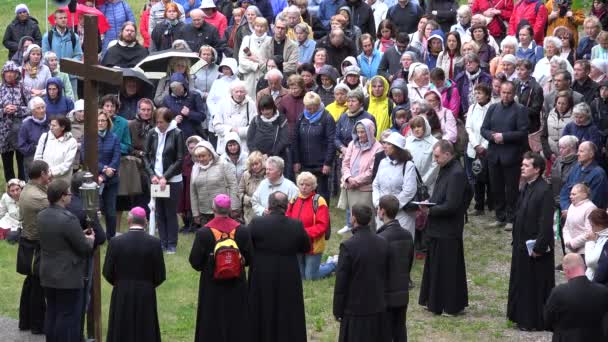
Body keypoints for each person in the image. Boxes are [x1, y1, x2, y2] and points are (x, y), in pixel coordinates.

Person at [248, 191, 310, 342]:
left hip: (261, 271)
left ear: (269, 205)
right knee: (288, 307)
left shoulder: (257, 223)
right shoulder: (296, 225)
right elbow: (306, 246)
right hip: (288, 271)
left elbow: (247, 246)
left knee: (261, 307)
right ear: (286, 206)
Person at [189, 194, 251, 342]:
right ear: (229, 209)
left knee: (211, 317)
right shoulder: (242, 231)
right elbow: (249, 258)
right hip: (237, 283)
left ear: (213, 209)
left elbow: (195, 261)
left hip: (211, 284)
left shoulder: (203, 232)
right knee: (237, 316)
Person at [417, 140, 469, 316]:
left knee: (448, 268)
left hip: (448, 228)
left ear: (448, 154)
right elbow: (441, 196)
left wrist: (429, 210)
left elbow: (452, 205)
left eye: (437, 156)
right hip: (439, 227)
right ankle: (434, 300)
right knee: (436, 265)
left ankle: (450, 304)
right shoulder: (445, 169)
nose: (435, 159)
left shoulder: (456, 173)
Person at [38, 179, 94, 342]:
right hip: (66, 275)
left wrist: (79, 235)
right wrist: (89, 239)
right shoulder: (68, 218)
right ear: (62, 197)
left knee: (52, 311)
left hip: (48, 271)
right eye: (68, 194)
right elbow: (83, 247)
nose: (70, 196)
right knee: (66, 315)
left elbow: (59, 238)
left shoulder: (42, 215)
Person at [507, 151, 555, 331]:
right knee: (522, 282)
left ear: (537, 169)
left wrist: (539, 247)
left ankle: (533, 320)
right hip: (521, 245)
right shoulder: (527, 186)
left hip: (535, 248)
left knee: (534, 285)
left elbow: (545, 223)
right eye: (522, 164)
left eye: (526, 165)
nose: (522, 168)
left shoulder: (544, 190)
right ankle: (520, 316)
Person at [103, 207, 166, 342]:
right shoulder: (154, 243)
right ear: (145, 221)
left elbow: (107, 271)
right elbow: (160, 274)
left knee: (121, 326)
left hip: (122, 291)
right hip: (146, 292)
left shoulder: (115, 242)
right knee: (146, 327)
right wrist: (148, 285)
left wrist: (120, 283)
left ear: (129, 220)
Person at [333, 203, 389, 342]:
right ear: (370, 220)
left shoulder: (348, 246)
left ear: (353, 218)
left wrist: (337, 309)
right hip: (378, 305)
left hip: (355, 309)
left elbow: (341, 281)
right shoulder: (382, 242)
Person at [481, 81, 529, 230]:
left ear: (514, 94)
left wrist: (504, 137)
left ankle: (511, 217)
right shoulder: (493, 108)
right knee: (496, 187)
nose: (506, 95)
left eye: (509, 92)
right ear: (499, 92)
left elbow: (523, 132)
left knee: (511, 189)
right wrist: (492, 136)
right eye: (503, 92)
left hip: (512, 155)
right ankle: (499, 216)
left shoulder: (520, 110)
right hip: (494, 154)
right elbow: (484, 129)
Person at [17, 160, 51, 334]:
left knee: (31, 282)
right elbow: (58, 204)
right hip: (35, 245)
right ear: (43, 174)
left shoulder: (29, 189)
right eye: (48, 172)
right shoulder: (37, 197)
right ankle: (37, 325)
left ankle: (26, 321)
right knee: (37, 284)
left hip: (29, 242)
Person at [144, 108, 184, 253]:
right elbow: (146, 156)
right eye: (156, 122)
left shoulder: (177, 133)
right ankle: (162, 242)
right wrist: (152, 175)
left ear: (168, 121)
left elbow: (179, 159)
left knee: (170, 212)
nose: (158, 125)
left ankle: (171, 243)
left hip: (172, 180)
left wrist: (165, 177)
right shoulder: (152, 133)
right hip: (156, 179)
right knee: (159, 211)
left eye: (161, 122)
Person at [375, 194, 413, 342]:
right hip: (402, 291)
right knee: (400, 329)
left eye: (378, 208)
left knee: (385, 332)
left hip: (385, 294)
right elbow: (409, 262)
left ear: (382, 211)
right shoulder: (407, 235)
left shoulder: (381, 238)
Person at [544, 253, 608, 342]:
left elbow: (547, 322)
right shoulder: (603, 291)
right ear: (584, 267)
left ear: (567, 271)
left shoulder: (558, 292)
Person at [286, 172, 330, 280]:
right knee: (300, 276)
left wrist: (304, 233)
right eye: (301, 184)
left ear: (313, 186)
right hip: (297, 243)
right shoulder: (294, 199)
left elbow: (322, 225)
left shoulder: (319, 201)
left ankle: (333, 264)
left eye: (307, 185)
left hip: (313, 244)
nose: (304, 187)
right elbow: (287, 218)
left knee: (310, 277)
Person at [293, 92, 336, 201]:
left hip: (321, 165)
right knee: (305, 195)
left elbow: (332, 141)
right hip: (304, 164)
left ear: (318, 105)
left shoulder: (327, 118)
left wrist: (327, 163)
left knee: (321, 196)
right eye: (307, 108)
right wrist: (296, 160)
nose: (310, 111)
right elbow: (295, 139)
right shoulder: (301, 117)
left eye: (312, 108)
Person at [372, 132, 417, 235]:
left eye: (389, 144)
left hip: (401, 215)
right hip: (382, 213)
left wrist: (391, 207)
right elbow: (376, 184)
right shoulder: (383, 162)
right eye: (384, 143)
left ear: (397, 148)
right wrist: (378, 204)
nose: (385, 146)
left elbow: (409, 191)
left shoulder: (408, 165)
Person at [190, 140, 240, 226]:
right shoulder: (195, 169)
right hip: (204, 212)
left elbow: (233, 185)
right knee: (208, 237)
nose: (200, 159)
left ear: (210, 155)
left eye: (203, 156)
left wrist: (234, 206)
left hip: (223, 210)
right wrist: (195, 213)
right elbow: (193, 192)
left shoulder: (222, 164)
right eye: (198, 156)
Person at [92, 111, 121, 239]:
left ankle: (111, 237)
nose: (100, 123)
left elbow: (116, 158)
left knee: (110, 212)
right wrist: (103, 169)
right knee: (94, 211)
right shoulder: (89, 137)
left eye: (103, 120)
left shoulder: (114, 137)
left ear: (107, 122)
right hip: (94, 180)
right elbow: (86, 157)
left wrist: (105, 175)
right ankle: (96, 236)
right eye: (98, 120)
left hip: (111, 180)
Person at [560, 141, 608, 212]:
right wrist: (566, 208)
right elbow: (565, 190)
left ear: (591, 154)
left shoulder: (599, 174)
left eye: (581, 151)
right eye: (578, 151)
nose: (577, 154)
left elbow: (594, 202)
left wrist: (573, 211)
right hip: (569, 213)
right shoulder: (575, 168)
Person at [213, 80, 256, 154]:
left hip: (244, 147)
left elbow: (254, 127)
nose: (239, 94)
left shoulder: (251, 104)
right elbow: (216, 126)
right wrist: (230, 130)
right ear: (231, 92)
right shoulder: (222, 104)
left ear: (245, 92)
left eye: (241, 91)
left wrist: (239, 131)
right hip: (225, 146)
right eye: (236, 92)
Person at [162, 73, 207, 141]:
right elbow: (164, 120)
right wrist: (173, 121)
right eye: (174, 90)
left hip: (194, 135)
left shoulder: (194, 95)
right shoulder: (167, 99)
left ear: (184, 86)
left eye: (179, 89)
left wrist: (189, 113)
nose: (177, 91)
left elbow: (202, 116)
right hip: (176, 136)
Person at [34, 116, 78, 184]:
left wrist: (50, 173)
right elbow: (38, 157)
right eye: (50, 125)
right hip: (44, 180)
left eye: (54, 125)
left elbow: (67, 165)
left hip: (62, 182)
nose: (51, 127)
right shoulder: (44, 137)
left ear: (62, 127)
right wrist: (43, 174)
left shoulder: (72, 142)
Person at [238, 17, 272, 99]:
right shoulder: (247, 39)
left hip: (264, 76)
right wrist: (255, 66)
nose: (259, 29)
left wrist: (259, 62)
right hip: (249, 77)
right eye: (257, 26)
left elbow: (270, 61)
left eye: (262, 26)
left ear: (266, 28)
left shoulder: (270, 40)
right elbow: (242, 59)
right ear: (254, 26)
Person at [562, 183, 596, 257]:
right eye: (570, 194)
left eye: (574, 194)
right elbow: (566, 227)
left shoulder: (590, 208)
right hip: (570, 250)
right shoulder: (571, 206)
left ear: (584, 195)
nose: (570, 197)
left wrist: (573, 244)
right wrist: (567, 242)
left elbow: (590, 232)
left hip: (584, 251)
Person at [18, 97, 48, 177]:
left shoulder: (51, 121)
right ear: (32, 111)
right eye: (38, 108)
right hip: (32, 158)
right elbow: (22, 146)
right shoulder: (26, 125)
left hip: (49, 157)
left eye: (43, 107)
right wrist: (36, 147)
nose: (42, 110)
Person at [514, 59, 544, 137]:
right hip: (515, 122)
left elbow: (535, 110)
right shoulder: (515, 83)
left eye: (522, 69)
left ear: (530, 71)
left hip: (530, 125)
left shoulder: (536, 88)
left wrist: (518, 108)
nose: (519, 72)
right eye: (517, 69)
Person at [540, 91, 573, 161]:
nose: (560, 106)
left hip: (567, 156)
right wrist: (549, 153)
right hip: (550, 155)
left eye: (564, 104)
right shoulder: (550, 115)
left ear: (569, 104)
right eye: (559, 103)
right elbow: (543, 136)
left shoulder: (573, 117)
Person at [239, 152, 267, 224]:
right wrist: (247, 200)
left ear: (262, 163)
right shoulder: (246, 174)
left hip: (264, 210)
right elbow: (239, 191)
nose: (254, 167)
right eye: (252, 165)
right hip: (249, 211)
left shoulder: (267, 174)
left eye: (256, 164)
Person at [585, 208, 608, 282]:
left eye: (593, 226)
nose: (592, 230)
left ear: (600, 225)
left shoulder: (604, 238)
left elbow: (590, 262)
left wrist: (590, 241)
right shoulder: (600, 235)